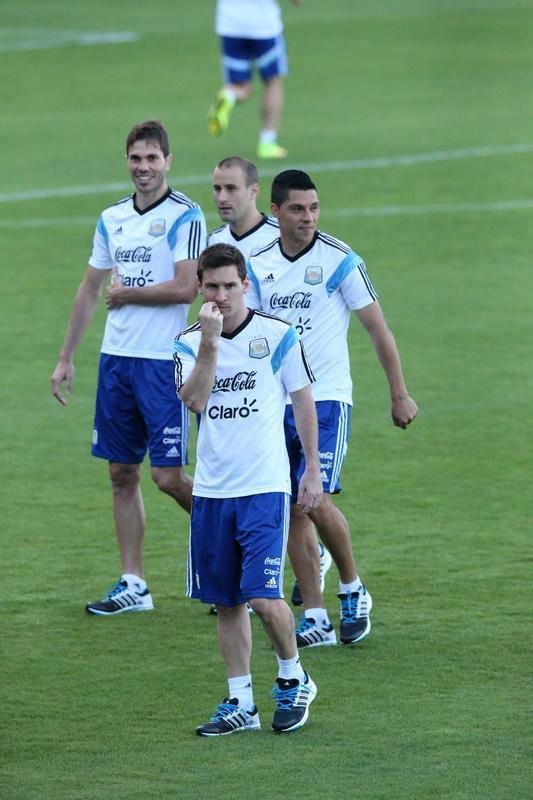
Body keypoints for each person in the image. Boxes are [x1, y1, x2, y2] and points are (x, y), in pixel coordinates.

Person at [246, 169, 418, 648]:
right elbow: (256, 338)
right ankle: (316, 617)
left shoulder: (340, 259)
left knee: (314, 499)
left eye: (315, 208)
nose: (309, 218)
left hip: (325, 399)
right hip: (276, 402)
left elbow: (378, 329)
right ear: (276, 211)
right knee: (291, 509)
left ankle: (352, 588)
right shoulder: (258, 265)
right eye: (298, 209)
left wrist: (398, 393)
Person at [50, 119, 207, 616]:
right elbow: (90, 288)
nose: (143, 168)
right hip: (116, 362)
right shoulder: (111, 218)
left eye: (152, 158)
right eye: (135, 159)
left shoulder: (187, 216)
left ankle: (236, 552)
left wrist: (129, 293)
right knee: (121, 473)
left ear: (168, 161)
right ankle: (134, 583)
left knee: (168, 478)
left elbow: (188, 288)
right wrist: (66, 357)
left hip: (163, 364)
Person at [173, 243, 322, 735]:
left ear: (246, 285)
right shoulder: (187, 342)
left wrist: (313, 469)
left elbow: (303, 401)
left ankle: (293, 676)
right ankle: (241, 702)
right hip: (213, 492)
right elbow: (194, 400)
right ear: (200, 288)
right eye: (212, 286)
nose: (221, 295)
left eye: (230, 286)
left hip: (263, 487)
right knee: (227, 600)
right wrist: (211, 343)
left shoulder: (278, 335)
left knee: (261, 596)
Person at [208, 155, 333, 600]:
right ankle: (271, 577)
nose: (223, 197)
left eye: (231, 188)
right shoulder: (217, 242)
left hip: (299, 386)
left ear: (256, 193)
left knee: (301, 496)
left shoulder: (280, 240)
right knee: (272, 489)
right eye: (217, 188)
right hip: (250, 390)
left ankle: (310, 574)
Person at [207, 0, 302, 159]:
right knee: (273, 82)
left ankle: (228, 95)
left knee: (241, 86)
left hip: (229, 24)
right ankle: (267, 143)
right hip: (263, 26)